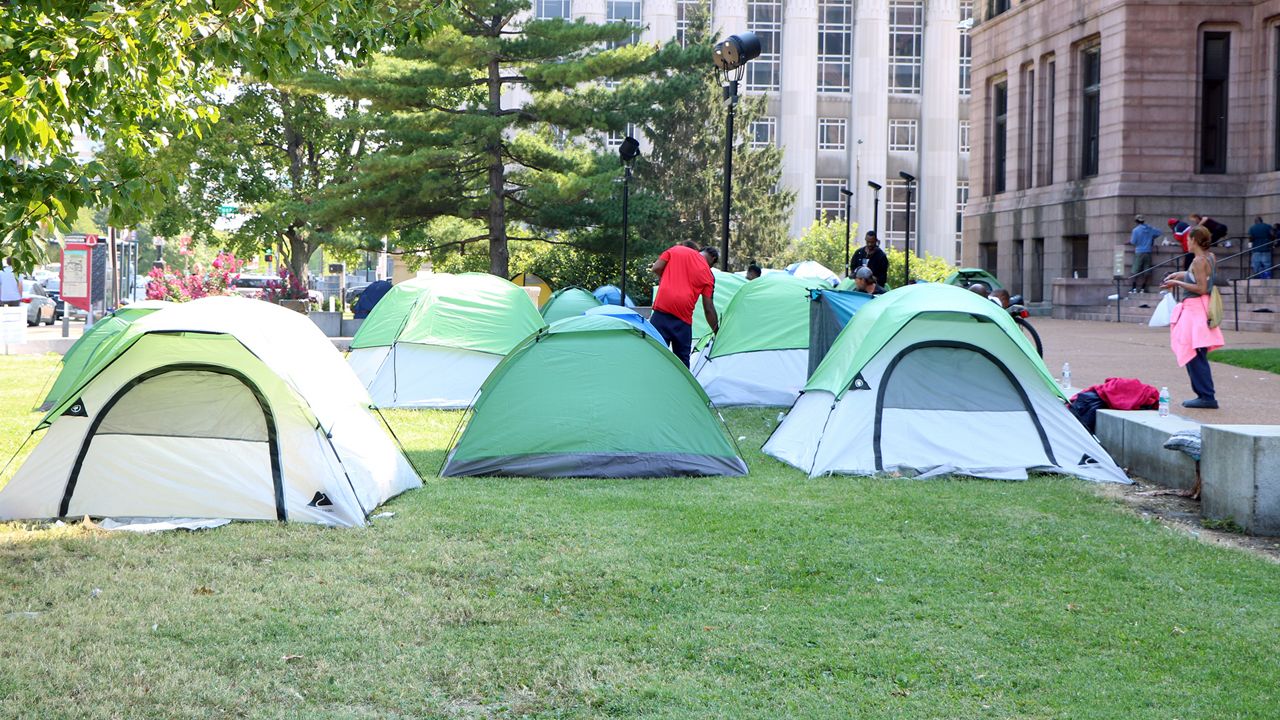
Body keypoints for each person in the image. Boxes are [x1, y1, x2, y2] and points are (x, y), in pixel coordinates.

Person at [1160, 225, 1224, 411]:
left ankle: (1206, 396)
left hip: (1195, 310)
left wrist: (1176, 282)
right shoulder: (1209, 257)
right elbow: (1197, 278)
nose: (1186, 242)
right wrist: (1178, 275)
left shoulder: (1198, 260)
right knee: (1196, 353)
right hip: (1201, 307)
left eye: (1188, 239)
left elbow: (1201, 287)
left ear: (1194, 240)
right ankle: (1204, 395)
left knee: (1195, 354)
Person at [650, 244, 718, 367]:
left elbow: (656, 268)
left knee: (654, 355)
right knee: (682, 364)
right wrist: (717, 331)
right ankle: (680, 386)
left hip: (660, 315)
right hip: (682, 323)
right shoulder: (709, 275)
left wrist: (667, 279)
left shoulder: (677, 250)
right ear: (713, 259)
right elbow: (708, 308)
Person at [1127, 215, 1160, 292]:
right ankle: (1143, 288)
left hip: (1139, 251)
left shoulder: (1136, 230)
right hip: (1148, 251)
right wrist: (1152, 237)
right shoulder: (1149, 228)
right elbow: (1159, 232)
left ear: (1136, 221)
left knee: (1135, 270)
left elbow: (1133, 242)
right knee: (1147, 270)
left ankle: (1134, 288)